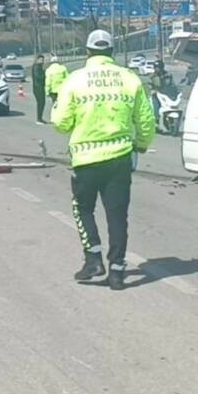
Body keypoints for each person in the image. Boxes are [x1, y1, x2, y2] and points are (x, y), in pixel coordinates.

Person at [52, 30, 156, 290]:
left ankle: (93, 259)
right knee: (117, 215)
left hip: (86, 159)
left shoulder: (75, 80)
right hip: (120, 158)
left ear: (88, 52)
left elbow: (61, 123)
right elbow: (146, 119)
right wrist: (141, 145)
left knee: (83, 208)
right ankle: (117, 272)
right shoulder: (129, 78)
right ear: (111, 52)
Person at [31, 55, 47, 124]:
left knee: (42, 103)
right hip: (38, 87)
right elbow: (38, 76)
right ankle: (38, 119)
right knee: (40, 103)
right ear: (37, 59)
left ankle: (40, 118)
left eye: (43, 60)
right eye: (41, 60)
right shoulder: (36, 67)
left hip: (40, 87)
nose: (42, 61)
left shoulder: (39, 67)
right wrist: (45, 76)